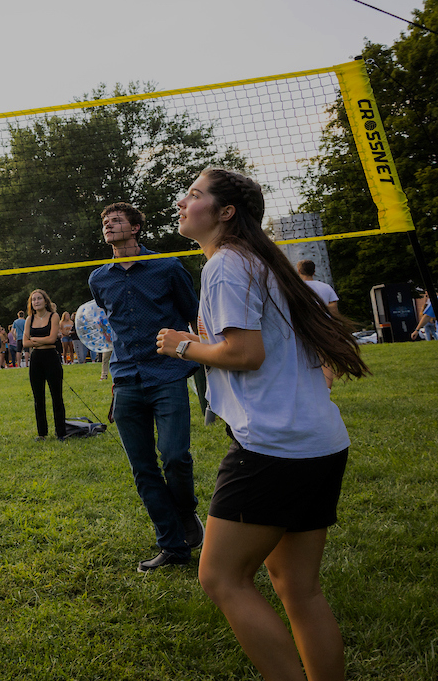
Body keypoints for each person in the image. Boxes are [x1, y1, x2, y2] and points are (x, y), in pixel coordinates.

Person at [157, 168, 368, 681]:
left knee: (221, 578)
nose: (183, 203)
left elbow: (245, 353)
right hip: (319, 441)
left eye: (194, 195)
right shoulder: (258, 262)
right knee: (298, 588)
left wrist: (181, 344)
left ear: (225, 212)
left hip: (274, 447)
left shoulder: (227, 264)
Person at [89, 201, 203, 572]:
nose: (108, 224)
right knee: (143, 468)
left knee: (174, 457)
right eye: (105, 221)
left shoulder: (166, 266)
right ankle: (172, 547)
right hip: (125, 379)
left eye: (117, 220)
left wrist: (206, 363)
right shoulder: (98, 278)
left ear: (136, 228)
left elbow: (193, 314)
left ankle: (186, 513)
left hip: (167, 374)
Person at [23, 289, 66, 440]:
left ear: (45, 301)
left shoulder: (54, 316)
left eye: (39, 298)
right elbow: (25, 342)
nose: (36, 301)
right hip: (36, 359)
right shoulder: (29, 319)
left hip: (51, 357)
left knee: (56, 396)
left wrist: (36, 340)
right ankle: (42, 433)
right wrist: (40, 340)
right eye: (33, 299)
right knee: (38, 397)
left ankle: (61, 432)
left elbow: (52, 339)